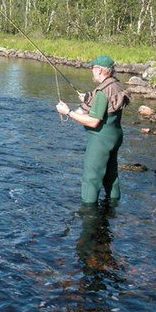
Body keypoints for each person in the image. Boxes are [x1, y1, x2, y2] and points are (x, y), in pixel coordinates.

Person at [56, 55, 129, 204]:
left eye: (93, 68)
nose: (92, 71)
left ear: (100, 70)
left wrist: (68, 112)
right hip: (115, 136)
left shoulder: (102, 92)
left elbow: (93, 122)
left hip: (101, 140)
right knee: (111, 174)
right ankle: (114, 205)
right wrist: (89, 97)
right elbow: (109, 104)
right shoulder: (116, 85)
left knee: (91, 177)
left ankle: (88, 211)